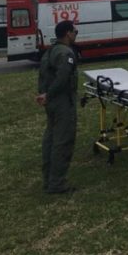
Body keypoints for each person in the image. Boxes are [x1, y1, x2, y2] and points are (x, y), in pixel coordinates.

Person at [36, 20, 79, 194]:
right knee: (62, 141)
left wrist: (44, 94)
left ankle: (48, 179)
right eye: (74, 31)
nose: (76, 34)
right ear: (68, 33)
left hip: (51, 103)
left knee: (51, 139)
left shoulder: (50, 51)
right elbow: (62, 77)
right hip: (61, 102)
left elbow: (43, 76)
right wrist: (49, 94)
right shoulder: (65, 53)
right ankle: (57, 183)